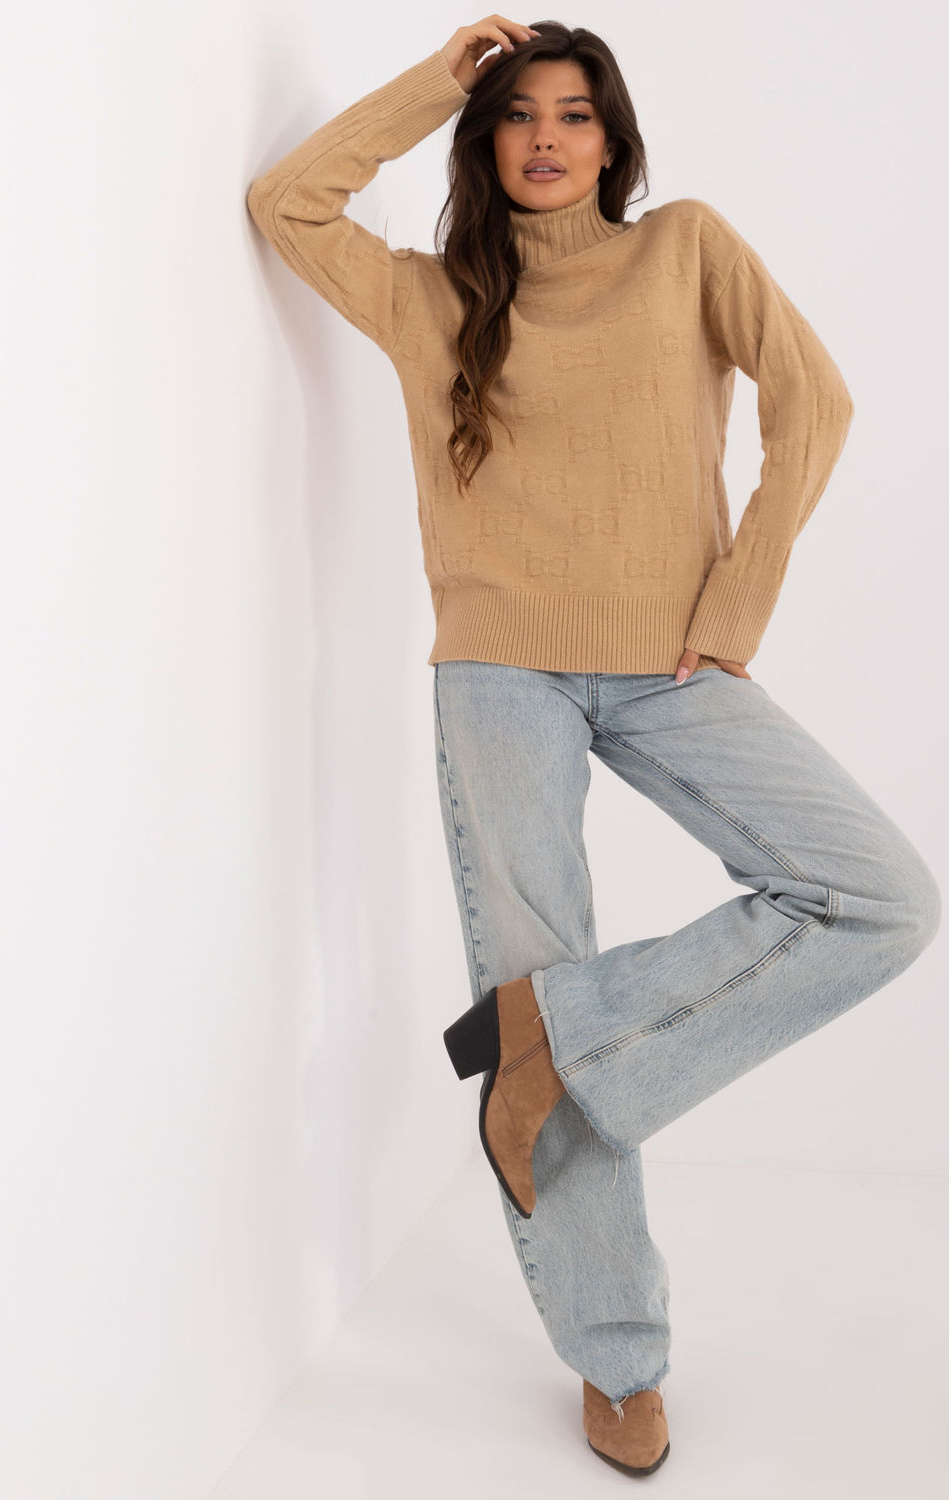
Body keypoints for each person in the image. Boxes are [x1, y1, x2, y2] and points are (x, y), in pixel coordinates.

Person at [246, 15, 941, 1478]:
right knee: (538, 956)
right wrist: (436, 77)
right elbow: (289, 204)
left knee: (880, 896)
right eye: (518, 114)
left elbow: (814, 400)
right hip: (498, 671)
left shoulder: (686, 247)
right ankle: (617, 1355)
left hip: (673, 662)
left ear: (615, 139)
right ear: (486, 140)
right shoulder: (433, 298)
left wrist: (737, 600)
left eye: (575, 113)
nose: (548, 137)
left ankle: (550, 1041)